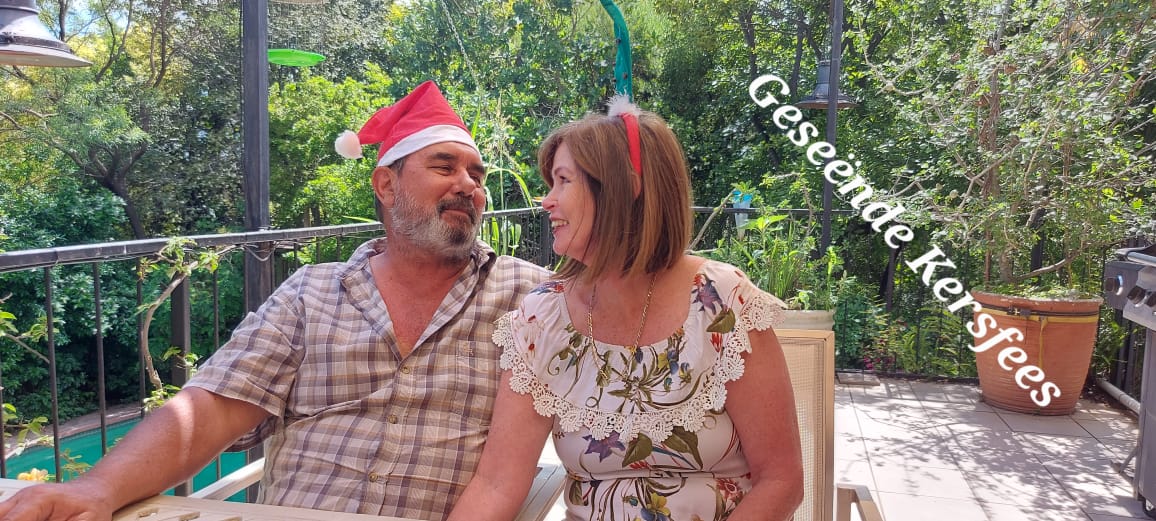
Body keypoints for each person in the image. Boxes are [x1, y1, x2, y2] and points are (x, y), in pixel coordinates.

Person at [0, 80, 550, 521]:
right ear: (386, 186)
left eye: (476, 174)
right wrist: (97, 488)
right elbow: (211, 407)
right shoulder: (312, 292)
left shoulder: (528, 297)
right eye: (444, 167)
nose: (469, 186)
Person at [447, 98, 804, 521]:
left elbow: (781, 481)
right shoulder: (542, 319)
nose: (546, 201)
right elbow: (496, 483)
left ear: (623, 189)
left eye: (563, 181)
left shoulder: (723, 303)